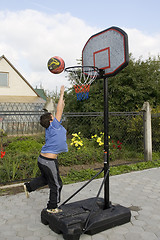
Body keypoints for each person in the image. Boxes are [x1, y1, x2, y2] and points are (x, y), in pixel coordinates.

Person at [24, 85, 68, 214]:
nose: (54, 115)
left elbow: (61, 109)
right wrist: (61, 94)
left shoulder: (51, 127)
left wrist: (62, 102)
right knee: (57, 184)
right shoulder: (54, 126)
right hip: (49, 161)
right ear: (51, 120)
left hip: (43, 160)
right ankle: (52, 206)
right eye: (52, 115)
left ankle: (29, 186)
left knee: (46, 179)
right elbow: (59, 110)